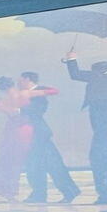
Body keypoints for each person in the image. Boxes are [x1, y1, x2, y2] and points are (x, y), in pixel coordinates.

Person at [65, 50, 107, 205]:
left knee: (99, 161)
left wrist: (71, 59)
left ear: (98, 73)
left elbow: (76, 75)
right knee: (105, 162)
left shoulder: (100, 80)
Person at [18, 70, 78, 204]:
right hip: (34, 133)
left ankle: (50, 193)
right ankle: (43, 193)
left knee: (46, 163)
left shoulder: (38, 93)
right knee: (39, 164)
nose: (18, 83)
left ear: (27, 79)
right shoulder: (31, 93)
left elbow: (37, 110)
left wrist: (19, 109)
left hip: (38, 133)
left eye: (20, 80)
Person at [0, 76, 35, 202]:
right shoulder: (21, 96)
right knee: (13, 163)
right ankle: (7, 192)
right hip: (21, 131)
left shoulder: (3, 100)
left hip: (14, 131)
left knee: (6, 162)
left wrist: (2, 107)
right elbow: (25, 113)